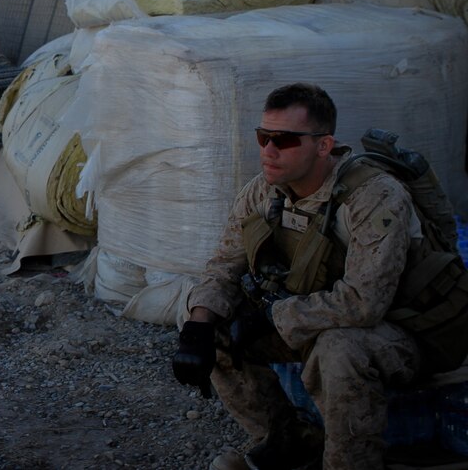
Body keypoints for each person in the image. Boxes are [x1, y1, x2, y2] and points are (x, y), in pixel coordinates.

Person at [173, 83, 431, 470]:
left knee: (339, 348)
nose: (268, 151)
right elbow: (225, 264)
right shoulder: (263, 191)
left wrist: (270, 318)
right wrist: (198, 324)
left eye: (284, 140)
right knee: (206, 320)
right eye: (263, 137)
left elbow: (365, 303)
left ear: (323, 146)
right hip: (310, 320)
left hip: (398, 332)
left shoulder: (374, 196)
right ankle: (288, 439)